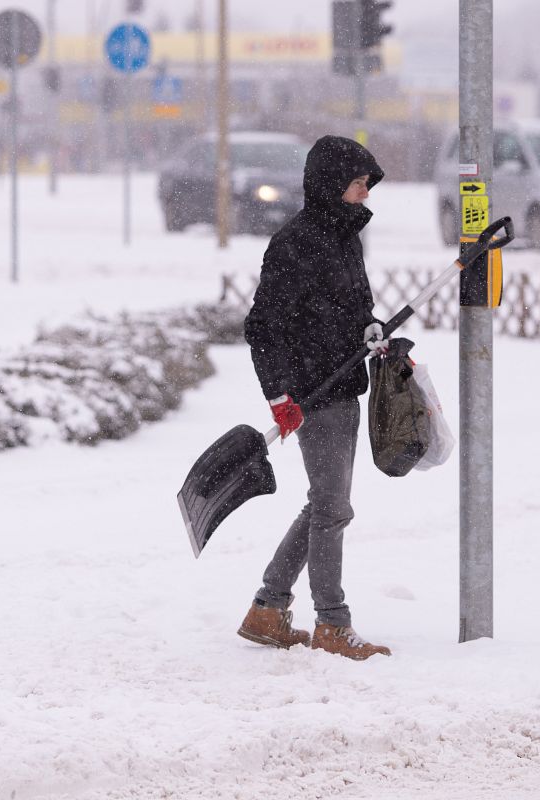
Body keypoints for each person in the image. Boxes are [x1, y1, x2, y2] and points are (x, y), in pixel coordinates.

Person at [236, 135, 392, 661]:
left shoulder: (345, 238)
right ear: (332, 186)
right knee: (332, 508)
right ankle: (332, 623)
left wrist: (368, 329)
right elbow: (263, 326)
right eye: (356, 185)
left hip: (343, 384)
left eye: (366, 186)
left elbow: (349, 307)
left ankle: (268, 609)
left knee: (324, 504)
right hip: (312, 391)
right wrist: (280, 395)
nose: (363, 196)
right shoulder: (294, 243)